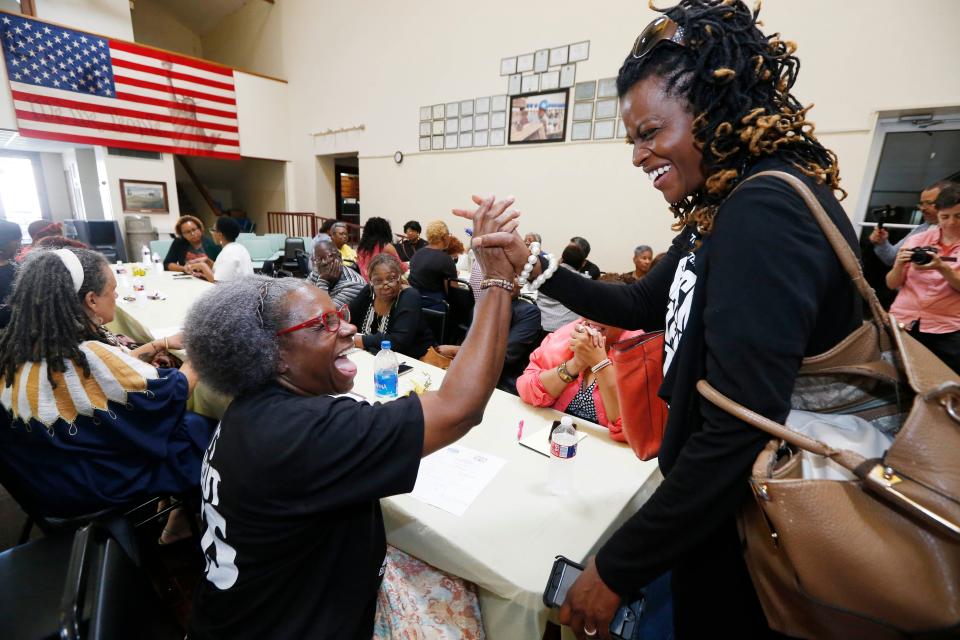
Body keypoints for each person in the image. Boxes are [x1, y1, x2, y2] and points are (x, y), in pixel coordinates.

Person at [456, 3, 861, 637]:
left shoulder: (764, 211)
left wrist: (615, 569)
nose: (639, 155)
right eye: (633, 139)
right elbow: (645, 304)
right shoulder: (724, 207)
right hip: (717, 512)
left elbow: (735, 433)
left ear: (713, 108)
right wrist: (531, 263)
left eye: (650, 131)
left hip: (756, 525)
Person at [184, 196, 522, 639]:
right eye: (322, 324)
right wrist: (496, 283)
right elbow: (459, 408)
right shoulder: (307, 432)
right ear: (274, 355)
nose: (346, 329)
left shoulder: (251, 409)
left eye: (339, 314)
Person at [0, 248, 214, 519]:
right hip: (93, 486)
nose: (115, 295)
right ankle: (184, 517)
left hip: (43, 481)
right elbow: (173, 392)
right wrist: (202, 342)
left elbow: (96, 379)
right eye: (112, 289)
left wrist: (159, 344)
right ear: (91, 299)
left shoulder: (22, 349)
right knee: (197, 427)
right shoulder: (89, 355)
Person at [886, 183, 960, 373]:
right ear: (938, 214)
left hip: (947, 329)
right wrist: (899, 264)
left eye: (958, 216)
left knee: (943, 378)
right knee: (895, 375)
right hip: (904, 321)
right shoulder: (918, 240)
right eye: (945, 216)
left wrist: (942, 267)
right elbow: (892, 283)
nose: (951, 222)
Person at [517, 319, 635, 437]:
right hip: (555, 436)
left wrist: (599, 363)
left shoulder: (638, 353)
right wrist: (575, 364)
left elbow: (633, 431)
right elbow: (526, 389)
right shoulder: (565, 336)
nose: (596, 316)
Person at [349, 254, 456, 361]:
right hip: (373, 357)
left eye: (391, 279)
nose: (385, 285)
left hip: (413, 361)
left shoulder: (409, 296)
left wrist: (361, 340)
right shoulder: (369, 291)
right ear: (371, 281)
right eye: (378, 281)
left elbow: (398, 341)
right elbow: (348, 317)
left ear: (400, 277)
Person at [869, 181, 951, 266]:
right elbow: (892, 258)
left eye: (929, 203)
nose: (922, 208)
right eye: (921, 204)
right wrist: (881, 243)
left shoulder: (955, 231)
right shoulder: (921, 229)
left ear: (949, 203)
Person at [537, 244, 588, 332]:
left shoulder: (543, 275)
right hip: (567, 334)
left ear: (561, 259)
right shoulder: (585, 282)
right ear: (583, 263)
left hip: (541, 329)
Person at [186, 216, 254, 283]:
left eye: (213, 230)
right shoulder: (239, 247)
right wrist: (207, 261)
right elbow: (224, 270)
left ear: (220, 235)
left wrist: (202, 266)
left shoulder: (228, 253)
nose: (212, 233)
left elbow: (219, 283)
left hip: (236, 292)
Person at [409, 220, 458, 311]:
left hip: (414, 303)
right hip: (435, 306)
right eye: (448, 235)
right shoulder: (446, 259)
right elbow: (453, 291)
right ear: (444, 237)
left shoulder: (417, 254)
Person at [308, 235, 366, 307]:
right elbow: (302, 295)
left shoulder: (354, 284)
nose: (324, 262)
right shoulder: (318, 270)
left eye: (329, 256)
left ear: (339, 257)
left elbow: (325, 312)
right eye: (318, 259)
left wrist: (323, 280)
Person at [356, 217, 404, 281]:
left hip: (365, 284)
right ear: (386, 230)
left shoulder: (361, 249)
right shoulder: (386, 247)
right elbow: (401, 268)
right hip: (382, 285)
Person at [0, 220, 21, 329]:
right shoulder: (11, 269)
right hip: (8, 327)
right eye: (17, 242)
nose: (19, 246)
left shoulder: (13, 264)